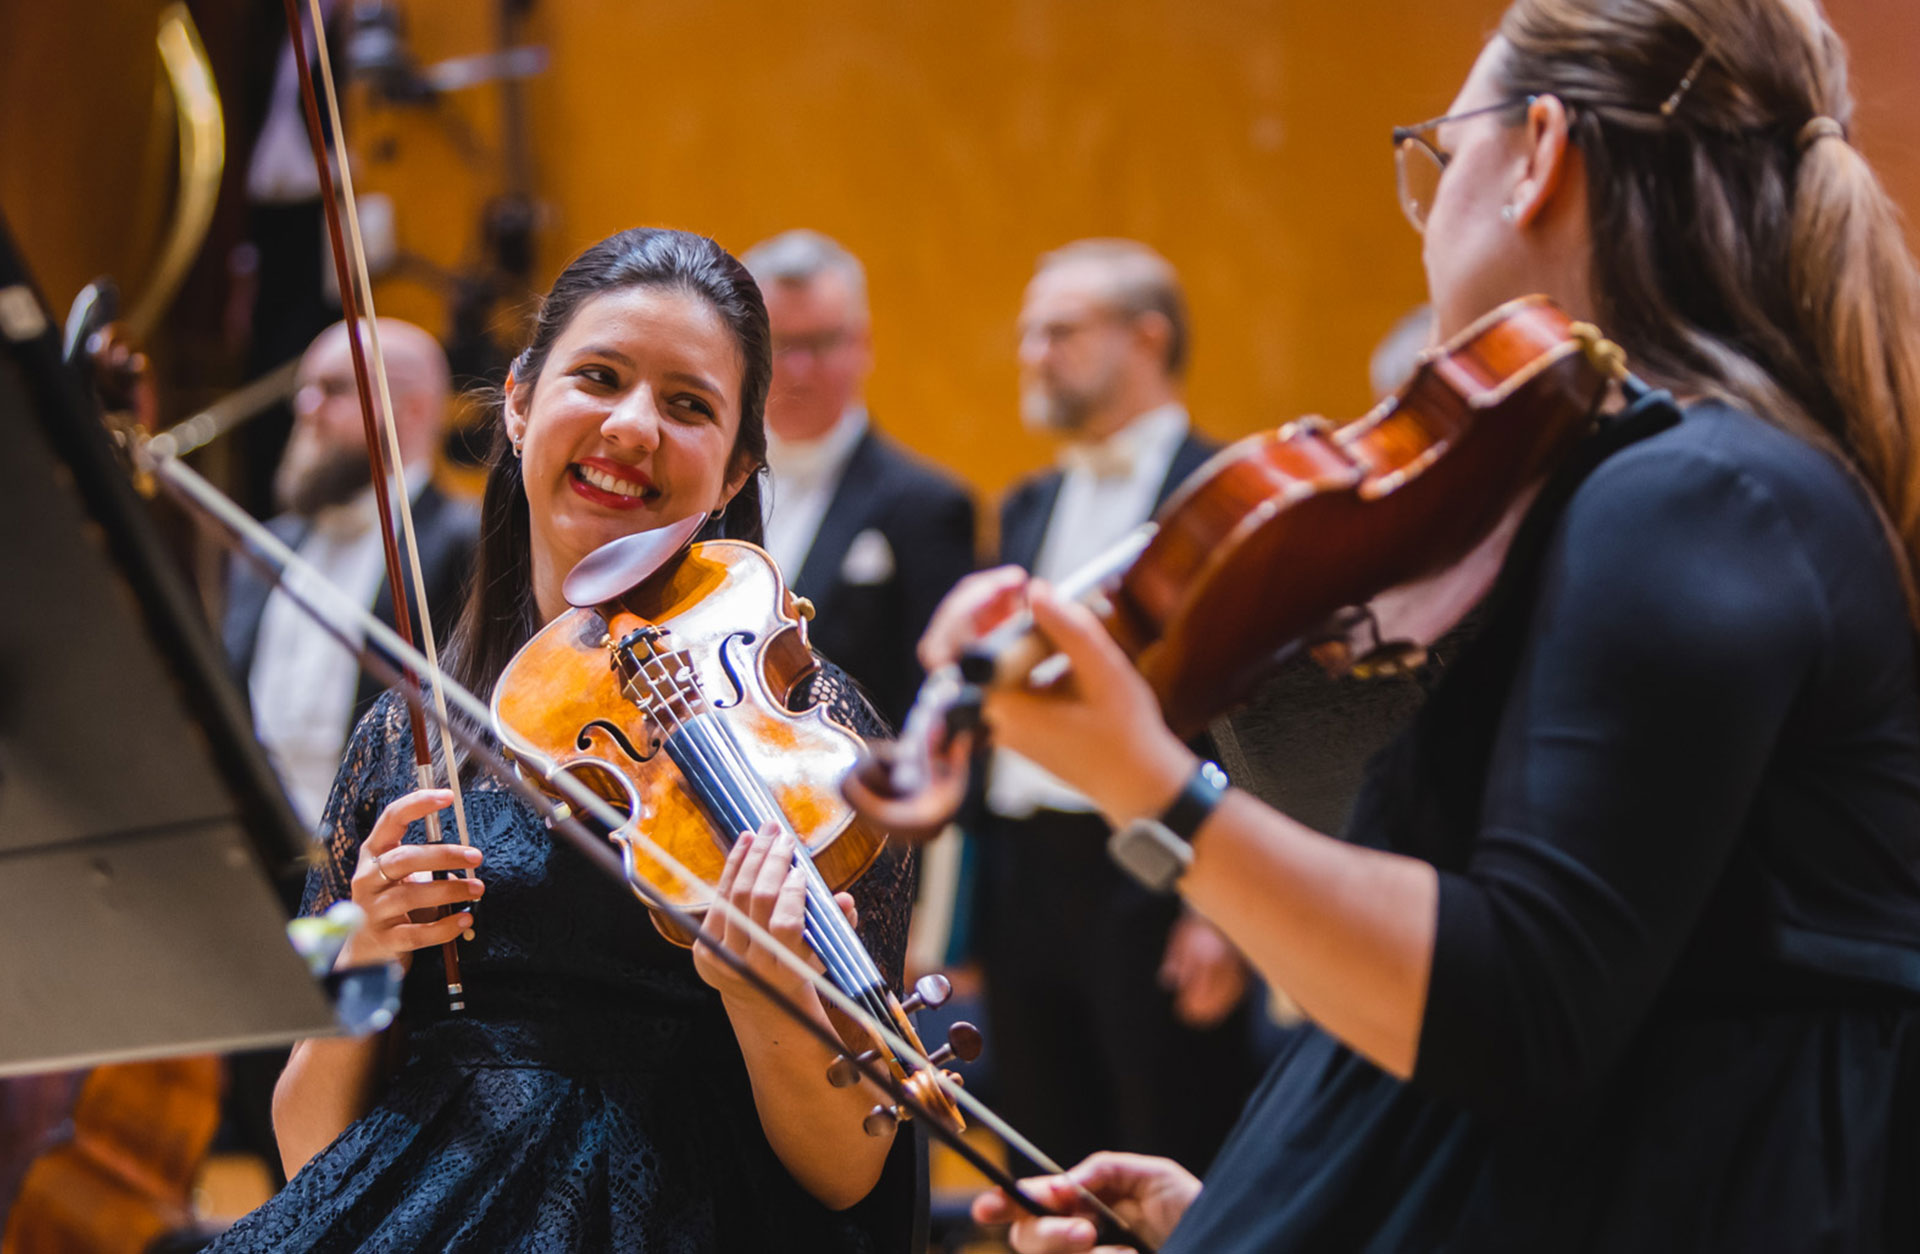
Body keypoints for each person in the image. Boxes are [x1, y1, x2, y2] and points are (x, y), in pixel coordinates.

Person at [951, 1, 1920, 1249]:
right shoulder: (1668, 487)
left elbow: (1522, 1004)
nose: (1433, 209)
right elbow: (1603, 1030)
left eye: (1443, 152)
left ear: (1540, 155)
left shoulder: (1691, 493)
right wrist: (1246, 1211)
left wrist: (1147, 782)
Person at [209, 229, 919, 1250]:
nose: (632, 426)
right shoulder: (410, 732)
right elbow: (314, 1156)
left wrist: (759, 992)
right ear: (518, 402)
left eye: (688, 405)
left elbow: (852, 1174)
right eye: (599, 377)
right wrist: (365, 946)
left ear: (735, 470)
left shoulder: (811, 738)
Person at [970, 239, 1258, 1177]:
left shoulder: (1225, 494)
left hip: (1159, 872)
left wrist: (1226, 914)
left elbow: (1254, 708)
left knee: (1173, 1146)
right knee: (1041, 1161)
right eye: (1027, 335)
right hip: (1026, 877)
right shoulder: (1028, 503)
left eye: (1060, 332)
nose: (1033, 355)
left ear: (1148, 337)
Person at [223, 317, 478, 832]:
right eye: (305, 390)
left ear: (415, 408)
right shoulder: (265, 546)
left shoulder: (467, 543)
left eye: (334, 389)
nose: (306, 408)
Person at [739, 229, 976, 728]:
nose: (799, 370)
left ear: (861, 343)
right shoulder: (707, 487)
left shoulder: (928, 506)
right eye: (780, 344)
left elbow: (942, 701)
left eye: (822, 342)